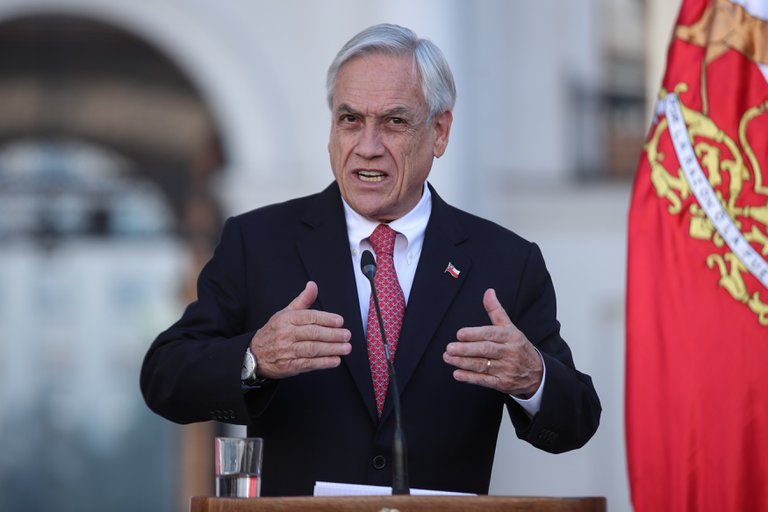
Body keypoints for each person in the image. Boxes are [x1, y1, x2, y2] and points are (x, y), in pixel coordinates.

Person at [140, 23, 601, 497]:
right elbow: (164, 378)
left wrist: (532, 378)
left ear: (439, 132)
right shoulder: (258, 242)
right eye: (351, 120)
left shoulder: (504, 261)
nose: (368, 145)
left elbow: (578, 420)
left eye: (395, 122)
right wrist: (254, 358)